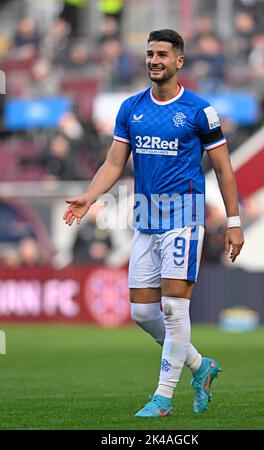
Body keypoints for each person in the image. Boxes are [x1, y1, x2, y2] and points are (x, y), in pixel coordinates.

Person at [63, 29, 244, 418]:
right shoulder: (131, 108)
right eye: (149, 53)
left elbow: (224, 169)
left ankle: (162, 396)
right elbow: (114, 162)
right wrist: (89, 196)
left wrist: (233, 221)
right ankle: (200, 366)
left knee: (174, 309)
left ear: (179, 61)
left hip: (185, 217)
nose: (154, 60)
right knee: (143, 314)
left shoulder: (199, 111)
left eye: (162, 54)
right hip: (146, 218)